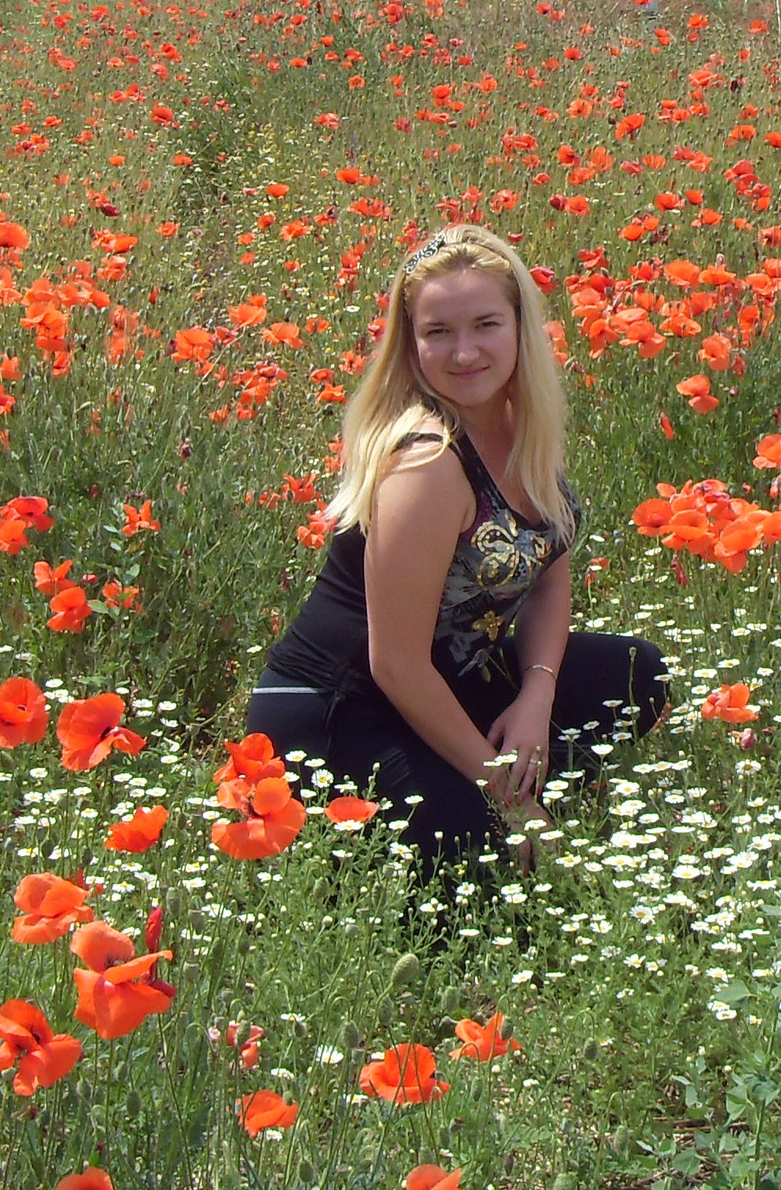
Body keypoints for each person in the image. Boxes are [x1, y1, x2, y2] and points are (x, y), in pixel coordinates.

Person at [245, 223, 669, 864]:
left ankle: (491, 783)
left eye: (485, 325)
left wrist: (536, 697)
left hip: (452, 678)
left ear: (519, 327)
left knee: (637, 674)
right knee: (481, 850)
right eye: (438, 332)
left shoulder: (523, 429)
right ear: (411, 346)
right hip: (341, 709)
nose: (464, 352)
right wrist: (510, 798)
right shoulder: (426, 463)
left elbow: (550, 571)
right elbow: (396, 666)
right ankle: (454, 808)